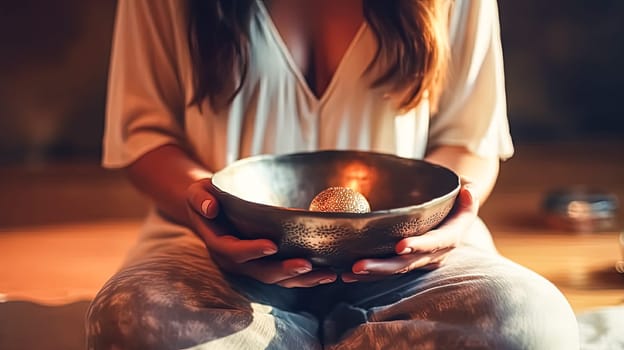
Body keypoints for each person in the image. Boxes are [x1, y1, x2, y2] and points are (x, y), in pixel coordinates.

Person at [86, 0, 579, 349]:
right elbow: (144, 135)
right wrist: (213, 213)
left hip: (408, 263)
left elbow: (470, 141)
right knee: (133, 323)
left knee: (531, 325)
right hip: (220, 259)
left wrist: (448, 219)